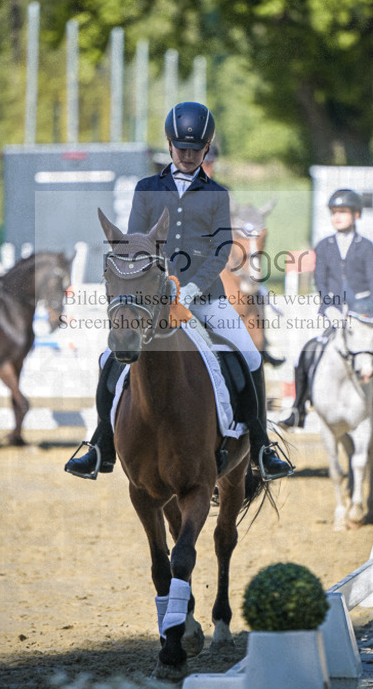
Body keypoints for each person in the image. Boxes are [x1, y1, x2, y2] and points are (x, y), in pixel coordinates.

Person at [65, 101, 294, 482]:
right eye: (181, 149)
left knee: (250, 355)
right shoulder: (147, 189)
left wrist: (189, 289)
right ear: (170, 147)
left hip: (206, 298)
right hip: (153, 300)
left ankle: (261, 447)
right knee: (110, 357)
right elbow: (134, 243)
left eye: (196, 150)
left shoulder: (217, 194)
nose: (188, 157)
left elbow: (222, 250)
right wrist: (157, 287)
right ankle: (100, 444)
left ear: (206, 149)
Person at [279, 187, 373, 430]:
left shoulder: (365, 246)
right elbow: (320, 281)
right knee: (305, 353)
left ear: (356, 215)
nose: (338, 217)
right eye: (334, 212)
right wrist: (330, 308)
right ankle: (297, 409)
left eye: (343, 212)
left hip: (363, 316)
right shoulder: (323, 246)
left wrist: (365, 312)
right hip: (331, 315)